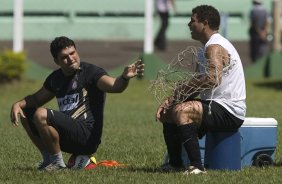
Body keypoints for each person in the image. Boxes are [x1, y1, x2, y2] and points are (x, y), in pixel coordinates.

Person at [10, 36, 145, 171]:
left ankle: (58, 164)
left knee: (40, 114)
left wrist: (124, 78)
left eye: (72, 53)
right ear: (56, 61)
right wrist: (18, 104)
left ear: (77, 51)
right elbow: (36, 99)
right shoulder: (56, 78)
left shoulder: (91, 72)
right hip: (67, 137)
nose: (70, 59)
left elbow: (115, 86)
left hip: (87, 137)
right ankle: (48, 161)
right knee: (26, 112)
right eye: (64, 57)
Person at [155, 5, 246, 174]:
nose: (189, 24)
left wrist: (182, 90)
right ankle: (175, 165)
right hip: (213, 105)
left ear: (204, 23)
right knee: (169, 113)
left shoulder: (215, 46)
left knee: (183, 111)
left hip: (229, 110)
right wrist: (172, 99)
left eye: (193, 20)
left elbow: (212, 79)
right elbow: (198, 85)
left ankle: (197, 167)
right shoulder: (203, 49)